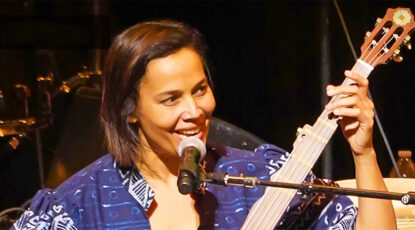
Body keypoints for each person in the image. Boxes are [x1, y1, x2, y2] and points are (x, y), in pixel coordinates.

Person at [12, 20, 396, 230]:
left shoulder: (262, 177)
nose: (194, 110)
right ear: (129, 109)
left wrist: (363, 154)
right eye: (170, 99)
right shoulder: (82, 203)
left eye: (200, 90)